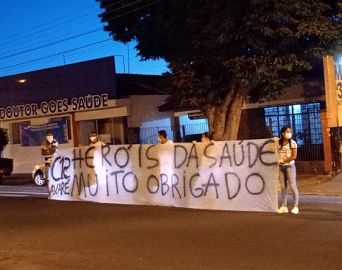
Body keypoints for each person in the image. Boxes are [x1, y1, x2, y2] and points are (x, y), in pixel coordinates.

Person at [277, 126, 299, 214]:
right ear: (282, 133)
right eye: (287, 131)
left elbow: (294, 156)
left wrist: (284, 160)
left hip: (290, 166)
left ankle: (295, 206)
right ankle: (284, 206)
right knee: (283, 187)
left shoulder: (293, 143)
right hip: (281, 167)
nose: (289, 133)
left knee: (293, 186)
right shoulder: (278, 142)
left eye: (290, 131)